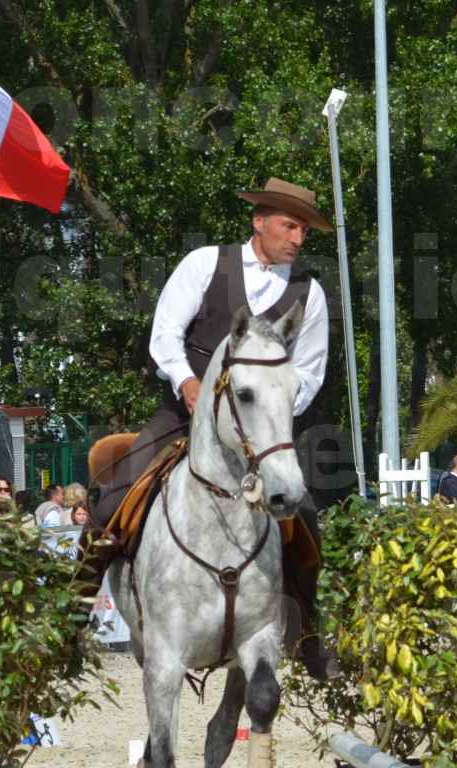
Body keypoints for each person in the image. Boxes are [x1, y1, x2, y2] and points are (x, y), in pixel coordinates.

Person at [91, 176, 338, 680]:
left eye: (304, 231)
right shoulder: (206, 262)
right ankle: (69, 618)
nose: (297, 238)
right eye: (290, 226)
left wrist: (273, 409)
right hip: (184, 411)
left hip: (258, 428)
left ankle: (310, 635)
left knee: (303, 516)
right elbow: (165, 332)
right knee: (113, 499)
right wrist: (185, 380)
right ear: (259, 221)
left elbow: (310, 371)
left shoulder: (309, 295)